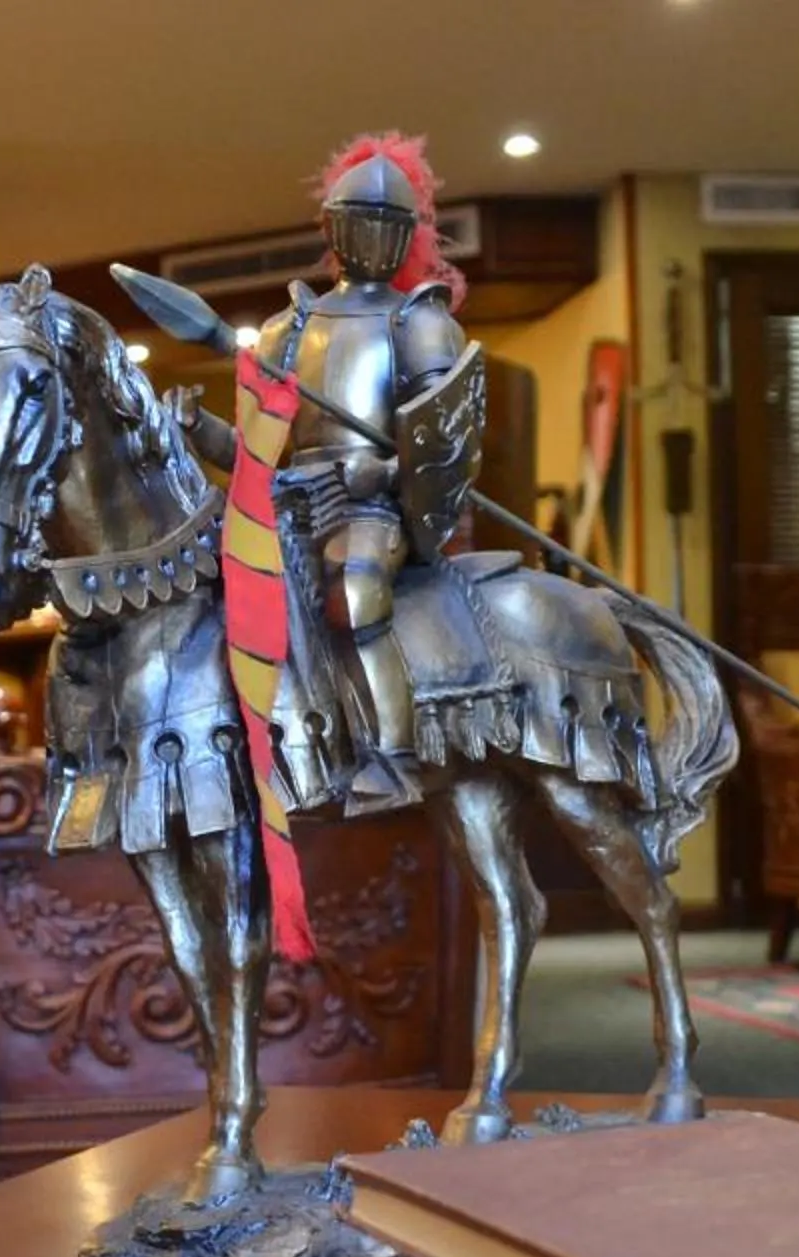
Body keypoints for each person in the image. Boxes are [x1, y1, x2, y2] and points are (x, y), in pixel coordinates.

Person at [249, 133, 472, 807]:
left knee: (352, 590)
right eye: (359, 222)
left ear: (407, 235)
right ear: (333, 228)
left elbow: (445, 443)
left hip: (375, 507)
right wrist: (196, 427)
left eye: (386, 225)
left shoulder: (419, 323)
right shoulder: (287, 328)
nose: (370, 236)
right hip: (293, 502)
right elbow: (261, 443)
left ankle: (389, 757)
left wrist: (375, 474)